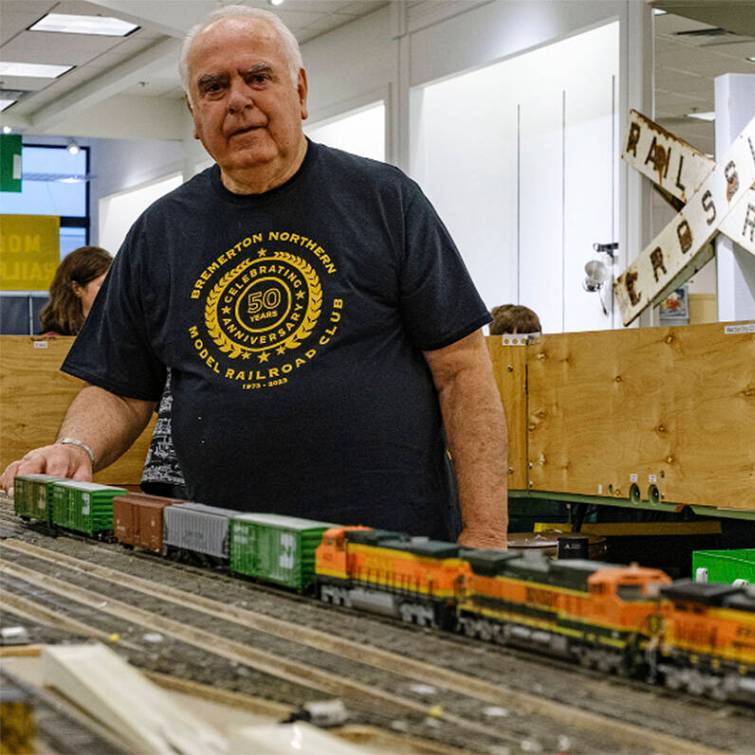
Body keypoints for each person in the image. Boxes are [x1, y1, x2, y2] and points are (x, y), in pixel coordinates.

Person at [2, 5, 508, 548]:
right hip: (227, 549)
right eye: (214, 87)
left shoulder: (386, 201)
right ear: (196, 120)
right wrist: (75, 445)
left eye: (258, 77)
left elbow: (462, 374)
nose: (239, 99)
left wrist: (484, 532)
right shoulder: (160, 232)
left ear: (300, 91)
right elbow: (120, 391)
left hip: (391, 547)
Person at [38, 246, 112, 336]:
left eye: (114, 284)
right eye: (103, 285)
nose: (112, 291)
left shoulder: (116, 332)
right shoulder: (52, 340)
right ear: (77, 288)